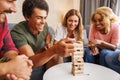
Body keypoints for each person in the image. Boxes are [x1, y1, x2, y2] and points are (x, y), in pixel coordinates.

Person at [10, 0, 75, 80]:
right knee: (54, 51)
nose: (43, 22)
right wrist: (54, 49)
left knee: (56, 55)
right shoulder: (17, 32)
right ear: (27, 17)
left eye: (45, 18)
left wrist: (47, 42)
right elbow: (30, 61)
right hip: (24, 60)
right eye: (39, 18)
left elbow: (47, 33)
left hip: (37, 52)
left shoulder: (44, 26)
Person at [0, 0, 33, 80]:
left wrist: (18, 63)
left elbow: (9, 48)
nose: (15, 9)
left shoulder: (2, 19)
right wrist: (7, 67)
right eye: (9, 1)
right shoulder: (18, 31)